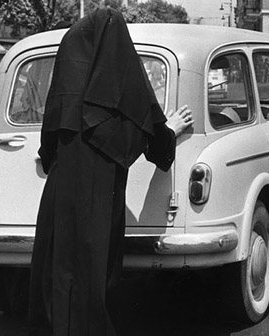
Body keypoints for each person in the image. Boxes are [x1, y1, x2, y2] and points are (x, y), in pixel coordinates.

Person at [27, 8, 194, 336]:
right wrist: (170, 131)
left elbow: (47, 147)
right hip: (99, 190)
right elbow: (145, 125)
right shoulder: (115, 91)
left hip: (60, 191)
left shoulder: (65, 89)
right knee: (93, 268)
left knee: (58, 266)